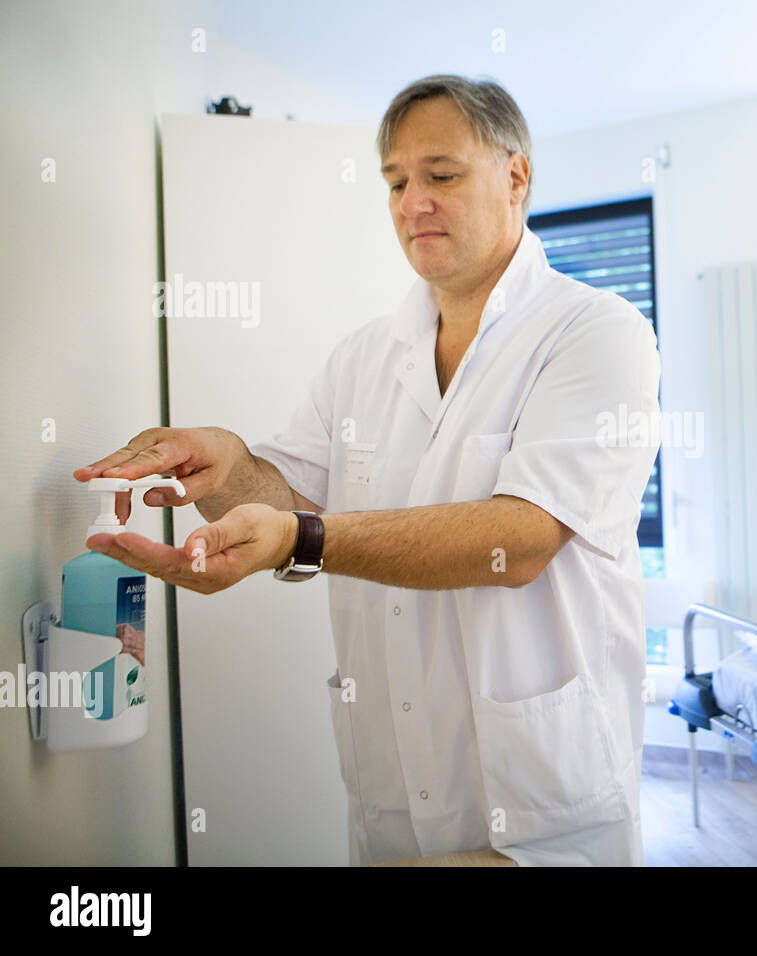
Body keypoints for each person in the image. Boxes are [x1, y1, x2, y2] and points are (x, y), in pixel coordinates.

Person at [73, 74, 661, 866]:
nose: (412, 202)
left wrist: (298, 541)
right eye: (395, 182)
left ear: (515, 176)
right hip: (393, 794)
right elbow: (293, 496)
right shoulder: (363, 356)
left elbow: (519, 541)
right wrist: (225, 467)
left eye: (441, 175)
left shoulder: (596, 332)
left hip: (543, 806)